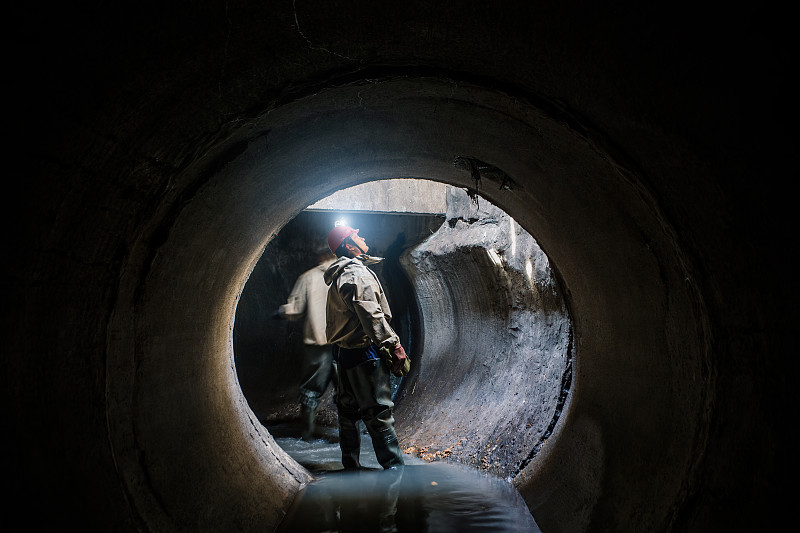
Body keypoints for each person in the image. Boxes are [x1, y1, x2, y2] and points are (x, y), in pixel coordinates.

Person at [323, 225, 410, 470]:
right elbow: (371, 316)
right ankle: (396, 472)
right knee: (379, 414)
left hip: (343, 353)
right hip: (364, 353)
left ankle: (351, 469)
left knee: (348, 412)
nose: (363, 237)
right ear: (350, 246)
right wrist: (394, 345)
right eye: (357, 236)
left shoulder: (342, 273)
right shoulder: (356, 275)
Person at [278, 247, 337, 441]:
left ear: (319, 257)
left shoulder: (308, 277)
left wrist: (280, 312)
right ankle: (350, 440)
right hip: (344, 344)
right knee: (348, 393)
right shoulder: (346, 274)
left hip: (316, 343)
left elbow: (294, 310)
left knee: (310, 392)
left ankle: (308, 437)